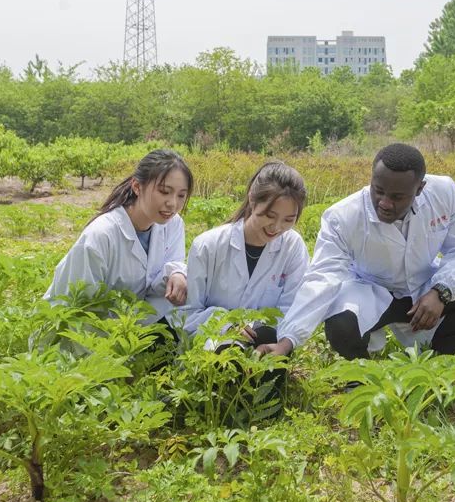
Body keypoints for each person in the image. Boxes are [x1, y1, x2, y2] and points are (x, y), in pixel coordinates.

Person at [258, 143, 455, 359]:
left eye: (397, 196)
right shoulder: (343, 217)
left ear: (420, 189)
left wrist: (441, 292)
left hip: (424, 286)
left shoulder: (444, 193)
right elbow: (322, 278)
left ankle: (431, 360)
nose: (385, 203)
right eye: (378, 191)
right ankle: (361, 375)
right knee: (340, 324)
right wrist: (288, 339)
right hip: (372, 290)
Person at [45, 149, 193, 328]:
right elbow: (75, 308)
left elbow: (170, 266)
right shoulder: (101, 235)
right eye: (164, 191)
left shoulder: (173, 224)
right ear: (137, 187)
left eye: (181, 195)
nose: (173, 203)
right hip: (84, 336)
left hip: (134, 329)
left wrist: (177, 274)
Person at [182, 162, 309, 352]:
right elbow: (190, 313)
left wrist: (283, 345)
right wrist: (227, 325)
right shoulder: (208, 246)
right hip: (213, 349)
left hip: (267, 348)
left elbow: (293, 310)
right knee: (224, 351)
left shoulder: (292, 247)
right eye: (269, 215)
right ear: (252, 198)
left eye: (288, 220)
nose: (276, 227)